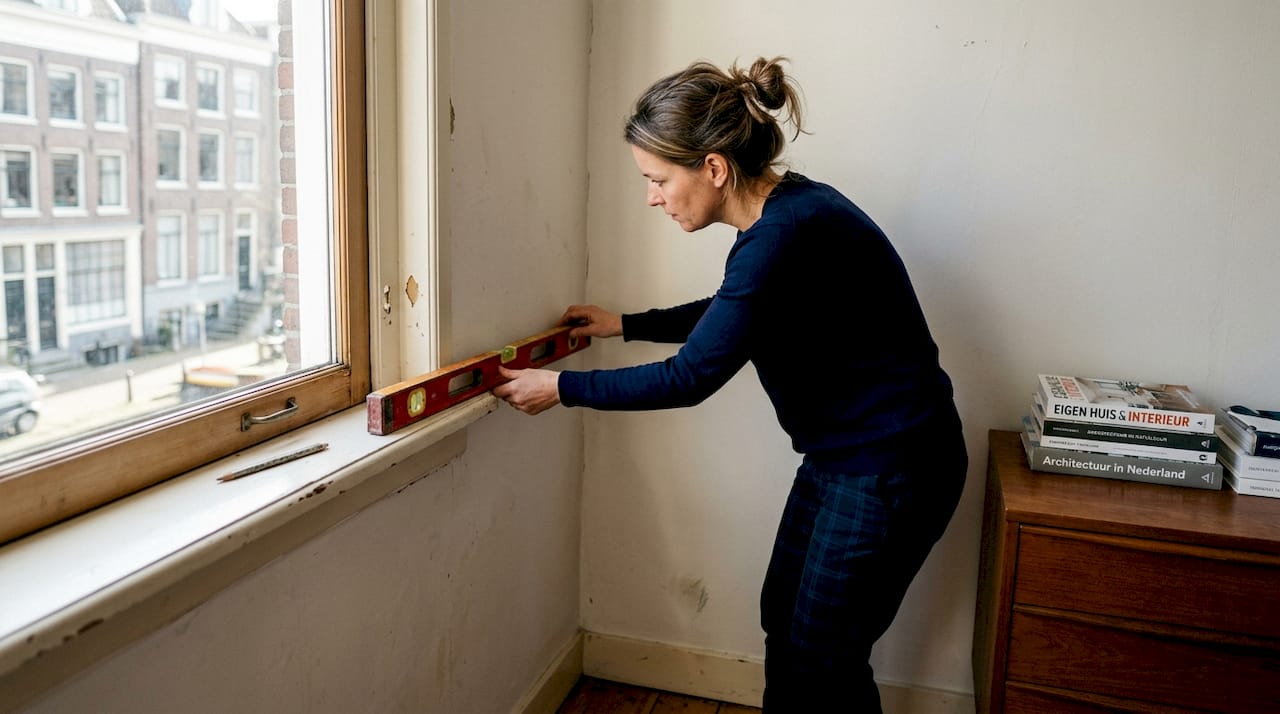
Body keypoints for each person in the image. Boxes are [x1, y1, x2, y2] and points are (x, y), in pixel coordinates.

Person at [492, 56, 967, 713]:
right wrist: (623, 323)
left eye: (658, 179)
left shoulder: (784, 234)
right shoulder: (787, 215)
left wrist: (563, 389)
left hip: (892, 468)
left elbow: (691, 377)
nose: (652, 197)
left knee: (822, 659)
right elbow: (735, 313)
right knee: (788, 628)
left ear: (713, 168)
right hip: (848, 460)